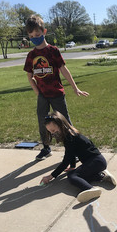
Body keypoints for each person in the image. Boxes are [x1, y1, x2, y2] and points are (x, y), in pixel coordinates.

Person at [24, 15, 89, 161]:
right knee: (43, 121)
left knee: (64, 122)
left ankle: (74, 149)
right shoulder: (31, 55)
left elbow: (64, 70)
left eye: (38, 35)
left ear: (44, 32)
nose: (35, 37)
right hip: (42, 96)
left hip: (57, 94)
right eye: (31, 35)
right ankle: (46, 148)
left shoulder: (53, 51)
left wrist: (75, 88)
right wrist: (37, 92)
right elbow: (29, 75)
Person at [40, 112, 117, 203]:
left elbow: (66, 160)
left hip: (96, 162)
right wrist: (72, 166)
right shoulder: (70, 134)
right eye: (50, 132)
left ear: (61, 125)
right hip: (96, 162)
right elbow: (72, 154)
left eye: (53, 130)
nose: (52, 133)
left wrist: (51, 176)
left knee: (72, 176)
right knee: (76, 174)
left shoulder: (70, 138)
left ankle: (90, 189)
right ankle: (101, 176)